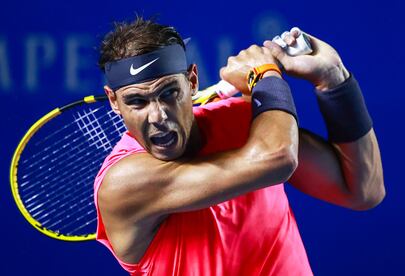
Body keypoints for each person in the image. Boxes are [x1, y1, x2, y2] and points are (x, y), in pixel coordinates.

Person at [94, 17, 385, 275]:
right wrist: (265, 75)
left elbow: (362, 191)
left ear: (192, 82)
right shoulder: (123, 182)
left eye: (169, 93)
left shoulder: (247, 119)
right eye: (137, 102)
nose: (157, 116)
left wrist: (333, 79)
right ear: (114, 101)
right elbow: (278, 158)